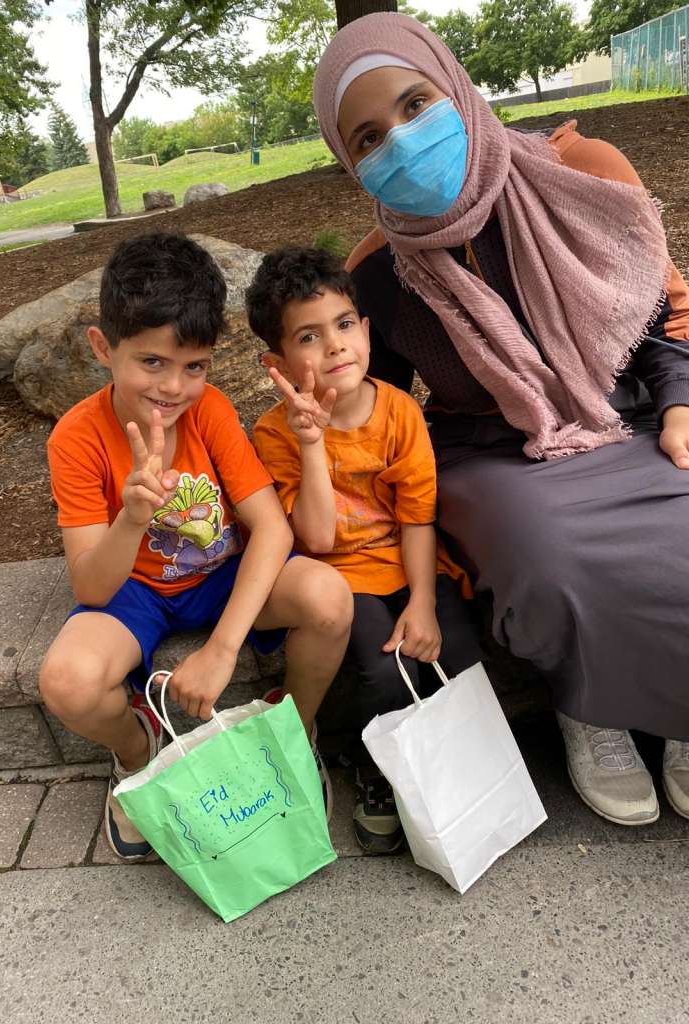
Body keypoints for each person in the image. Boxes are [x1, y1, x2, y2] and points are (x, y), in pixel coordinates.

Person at [312, 12, 689, 827]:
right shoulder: (379, 274)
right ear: (351, 165)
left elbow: (661, 317)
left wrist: (681, 407)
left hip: (625, 410)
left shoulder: (581, 169)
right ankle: (589, 710)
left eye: (417, 105)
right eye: (370, 137)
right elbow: (372, 403)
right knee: (542, 551)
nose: (403, 143)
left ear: (458, 88)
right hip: (490, 447)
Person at [39, 232, 353, 861]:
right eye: (152, 361)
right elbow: (93, 587)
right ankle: (137, 753)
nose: (174, 388)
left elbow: (272, 528)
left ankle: (293, 726)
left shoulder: (208, 412)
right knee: (68, 683)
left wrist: (222, 649)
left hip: (221, 575)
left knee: (328, 597)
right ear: (104, 348)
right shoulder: (76, 440)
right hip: (137, 590)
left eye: (194, 366)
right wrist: (131, 518)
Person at [248, 246, 482, 853]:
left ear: (367, 331)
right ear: (276, 363)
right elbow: (320, 540)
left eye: (345, 325)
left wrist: (425, 602)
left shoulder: (400, 411)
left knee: (458, 648)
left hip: (407, 560)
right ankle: (374, 769)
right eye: (309, 336)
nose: (335, 346)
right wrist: (310, 443)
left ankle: (452, 768)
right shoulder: (274, 434)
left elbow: (417, 518)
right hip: (338, 573)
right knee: (384, 667)